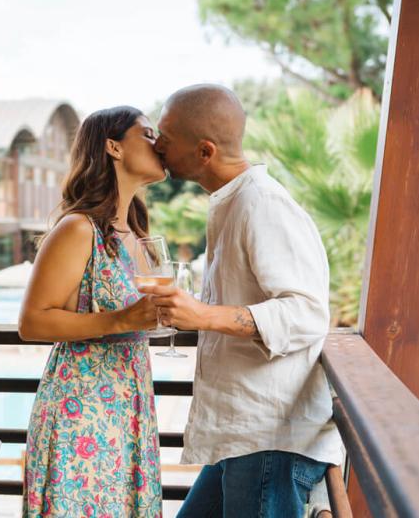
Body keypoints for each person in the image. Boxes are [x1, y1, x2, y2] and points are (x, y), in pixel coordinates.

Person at [140, 84, 342, 517]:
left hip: (270, 439)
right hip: (244, 437)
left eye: (166, 136)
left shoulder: (262, 204)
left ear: (205, 151)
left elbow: (307, 313)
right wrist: (196, 310)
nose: (156, 144)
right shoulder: (232, 203)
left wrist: (203, 315)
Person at [19, 106, 165, 517]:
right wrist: (122, 320)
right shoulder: (79, 229)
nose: (159, 144)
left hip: (128, 408)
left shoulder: (135, 234)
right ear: (114, 146)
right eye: (148, 133)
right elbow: (32, 322)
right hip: (80, 411)